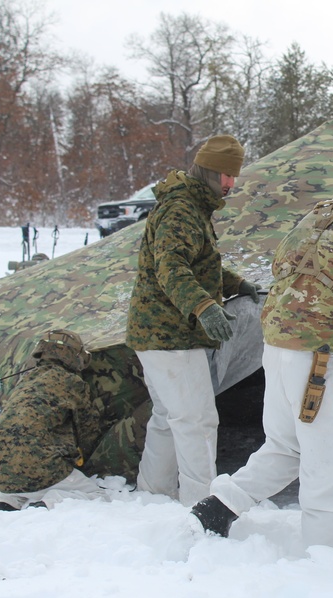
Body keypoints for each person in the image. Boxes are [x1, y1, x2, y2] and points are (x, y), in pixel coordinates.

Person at [190, 142, 333, 555]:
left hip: (277, 349)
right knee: (330, 468)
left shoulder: (315, 216)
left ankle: (218, 507)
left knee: (286, 446)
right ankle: (324, 561)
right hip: (324, 359)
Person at [126, 134, 262, 507]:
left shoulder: (192, 205)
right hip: (170, 335)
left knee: (168, 416)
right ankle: (202, 503)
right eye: (225, 175)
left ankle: (153, 493)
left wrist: (236, 284)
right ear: (207, 171)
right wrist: (203, 307)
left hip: (155, 332)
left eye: (234, 176)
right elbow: (171, 267)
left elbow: (200, 263)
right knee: (197, 420)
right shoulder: (181, 209)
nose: (231, 184)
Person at [0, 330, 104, 510]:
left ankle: (9, 500)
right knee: (96, 494)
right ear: (74, 356)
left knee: (22, 471)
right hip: (40, 466)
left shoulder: (25, 379)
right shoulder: (71, 382)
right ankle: (50, 501)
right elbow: (87, 430)